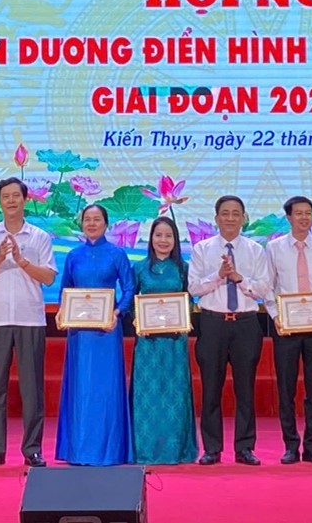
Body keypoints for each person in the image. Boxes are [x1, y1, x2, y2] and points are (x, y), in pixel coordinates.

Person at [0, 177, 58, 468]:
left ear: (25, 199)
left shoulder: (39, 237)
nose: (10, 201)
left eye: (15, 196)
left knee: (32, 389)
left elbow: (49, 277)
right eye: (5, 196)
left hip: (30, 319)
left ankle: (32, 449)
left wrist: (22, 261)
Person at [188, 194, 270, 466]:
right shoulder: (201, 249)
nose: (230, 218)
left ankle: (245, 448)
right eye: (225, 213)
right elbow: (194, 287)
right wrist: (219, 275)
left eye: (236, 213)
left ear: (244, 218)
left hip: (246, 323)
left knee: (245, 389)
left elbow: (263, 289)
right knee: (211, 388)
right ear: (216, 218)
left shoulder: (255, 250)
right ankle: (212, 448)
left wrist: (238, 278)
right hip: (212, 323)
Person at [56, 204, 134, 466]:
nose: (91, 223)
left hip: (106, 331)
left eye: (97, 219)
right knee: (81, 388)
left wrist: (117, 313)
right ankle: (79, 450)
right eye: (87, 219)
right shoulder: (73, 255)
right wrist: (62, 312)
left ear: (106, 224)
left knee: (106, 389)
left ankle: (109, 450)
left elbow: (129, 288)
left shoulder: (117, 254)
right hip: (79, 333)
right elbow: (65, 289)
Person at [264, 196, 312, 464]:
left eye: (308, 213)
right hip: (286, 328)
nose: (304, 218)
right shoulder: (274, 248)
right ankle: (291, 446)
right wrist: (276, 316)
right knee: (286, 388)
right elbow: (268, 286)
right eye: (299, 213)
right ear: (289, 217)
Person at [129, 216, 198, 464]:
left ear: (176, 240)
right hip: (147, 344)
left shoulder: (184, 269)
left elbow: (190, 301)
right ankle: (145, 450)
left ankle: (175, 450)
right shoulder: (139, 268)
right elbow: (131, 302)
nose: (163, 240)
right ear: (151, 238)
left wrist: (182, 318)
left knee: (174, 395)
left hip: (175, 342)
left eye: (169, 236)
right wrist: (139, 320)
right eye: (158, 235)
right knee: (147, 396)